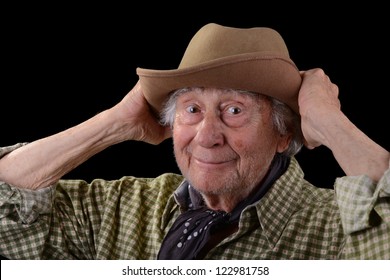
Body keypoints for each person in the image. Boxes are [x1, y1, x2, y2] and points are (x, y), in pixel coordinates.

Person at [0, 23, 389, 260]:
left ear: (283, 133)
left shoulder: (335, 227)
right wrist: (113, 123)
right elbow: (7, 201)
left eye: (234, 110)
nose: (207, 136)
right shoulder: (125, 208)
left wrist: (328, 121)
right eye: (191, 109)